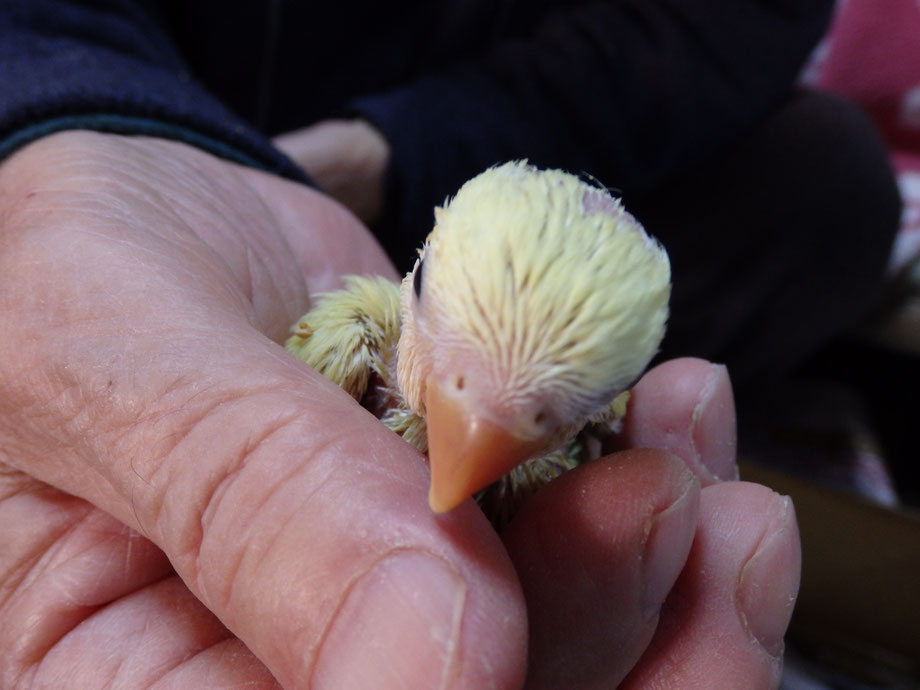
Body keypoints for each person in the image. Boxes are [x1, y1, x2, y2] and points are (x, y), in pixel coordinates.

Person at [0, 0, 897, 686]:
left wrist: (403, 143)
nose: (478, 419)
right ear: (415, 273)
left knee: (832, 179)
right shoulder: (356, 338)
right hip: (197, 110)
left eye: (566, 401)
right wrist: (85, 122)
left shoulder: (595, 455)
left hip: (508, 119)